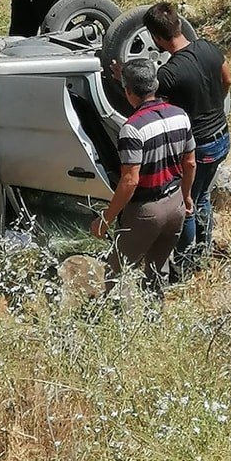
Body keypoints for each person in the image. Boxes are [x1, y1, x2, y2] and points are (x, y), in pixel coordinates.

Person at [91, 59, 196, 294]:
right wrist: (186, 197)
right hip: (175, 204)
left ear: (128, 92)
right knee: (158, 271)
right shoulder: (180, 115)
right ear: (155, 84)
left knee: (116, 271)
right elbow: (189, 163)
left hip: (146, 211)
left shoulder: (132, 129)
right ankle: (153, 318)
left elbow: (130, 180)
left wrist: (106, 219)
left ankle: (111, 317)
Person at [143, 2, 231, 272]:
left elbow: (151, 106)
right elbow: (227, 80)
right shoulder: (208, 47)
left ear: (157, 38)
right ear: (178, 25)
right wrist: (213, 102)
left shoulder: (167, 75)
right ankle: (203, 251)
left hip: (198, 147)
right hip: (222, 136)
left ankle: (186, 263)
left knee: (186, 203)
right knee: (202, 195)